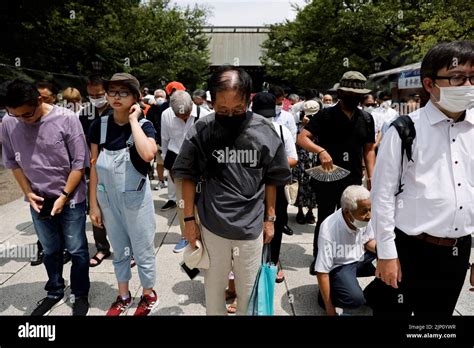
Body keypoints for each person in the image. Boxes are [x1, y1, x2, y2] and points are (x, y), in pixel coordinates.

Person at [172, 65, 291, 315]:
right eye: (222, 109)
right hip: (213, 224)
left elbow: (273, 178)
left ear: (249, 100)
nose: (229, 115)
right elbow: (186, 176)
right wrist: (189, 220)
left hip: (251, 226)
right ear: (211, 101)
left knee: (248, 293)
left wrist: (270, 218)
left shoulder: (264, 130)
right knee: (213, 291)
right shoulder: (202, 130)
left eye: (237, 110)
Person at [371, 40, 474, 316]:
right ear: (430, 84)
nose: (468, 85)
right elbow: (381, 197)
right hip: (411, 250)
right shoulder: (405, 130)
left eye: (473, 78)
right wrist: (386, 252)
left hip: (457, 251)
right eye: (457, 77)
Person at [1, 79, 90, 316]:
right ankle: (54, 290)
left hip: (70, 197)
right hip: (38, 198)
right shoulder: (9, 122)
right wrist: (27, 192)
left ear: (40, 100)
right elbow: (12, 162)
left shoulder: (66, 119)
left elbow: (79, 163)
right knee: (50, 249)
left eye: (27, 114)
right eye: (15, 115)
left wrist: (63, 196)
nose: (22, 120)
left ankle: (80, 293)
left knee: (77, 247)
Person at [88, 73, 158, 316]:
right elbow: (94, 164)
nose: (116, 97)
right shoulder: (99, 125)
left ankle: (149, 293)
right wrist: (93, 205)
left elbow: (148, 154)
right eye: (112, 91)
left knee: (142, 249)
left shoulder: (145, 125)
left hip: (136, 201)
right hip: (108, 200)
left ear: (136, 98)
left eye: (123, 92)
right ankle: (124, 295)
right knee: (119, 248)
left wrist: (135, 120)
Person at [297, 71, 376, 276]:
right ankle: (320, 257)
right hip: (328, 175)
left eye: (357, 95)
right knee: (325, 217)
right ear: (340, 93)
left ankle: (350, 257)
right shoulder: (326, 115)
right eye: (349, 94)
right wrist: (321, 151)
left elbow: (369, 149)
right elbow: (302, 138)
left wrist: (371, 176)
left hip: (353, 176)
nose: (353, 98)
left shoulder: (366, 118)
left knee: (353, 218)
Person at [252, 92, 298, 282]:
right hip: (251, 188)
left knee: (276, 225)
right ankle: (252, 262)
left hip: (277, 187)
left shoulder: (281, 130)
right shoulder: (246, 130)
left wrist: (272, 164)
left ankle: (274, 260)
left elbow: (293, 158)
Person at [316, 185, 377, 315]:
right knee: (355, 299)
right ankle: (326, 296)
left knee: (393, 262)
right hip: (341, 266)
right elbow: (322, 271)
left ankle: (372, 294)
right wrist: (329, 308)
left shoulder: (364, 217)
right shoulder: (329, 229)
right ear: (348, 212)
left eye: (370, 210)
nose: (369, 215)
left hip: (360, 257)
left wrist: (387, 255)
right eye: (364, 211)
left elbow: (368, 241)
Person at [161, 90, 209, 253]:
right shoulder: (166, 115)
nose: (183, 119)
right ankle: (186, 236)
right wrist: (169, 167)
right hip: (178, 161)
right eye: (179, 116)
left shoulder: (206, 115)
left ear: (193, 106)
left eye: (187, 115)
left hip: (201, 162)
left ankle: (205, 235)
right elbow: (165, 141)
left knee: (203, 200)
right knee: (182, 203)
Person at [78, 75, 114, 268]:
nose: (95, 98)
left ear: (107, 93)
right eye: (91, 95)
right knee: (96, 207)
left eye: (99, 94)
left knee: (122, 210)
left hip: (117, 166)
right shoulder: (85, 114)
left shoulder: (117, 110)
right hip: (94, 166)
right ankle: (102, 247)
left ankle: (129, 249)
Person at [159, 81, 187, 212]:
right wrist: (165, 157)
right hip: (173, 151)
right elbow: (164, 138)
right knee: (172, 178)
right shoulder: (166, 113)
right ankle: (172, 199)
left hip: (192, 152)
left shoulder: (201, 112)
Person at [294, 100, 319, 225]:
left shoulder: (321, 124)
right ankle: (299, 210)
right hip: (301, 160)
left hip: (315, 160)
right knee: (300, 185)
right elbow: (295, 140)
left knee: (314, 185)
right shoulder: (297, 125)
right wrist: (302, 126)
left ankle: (310, 211)